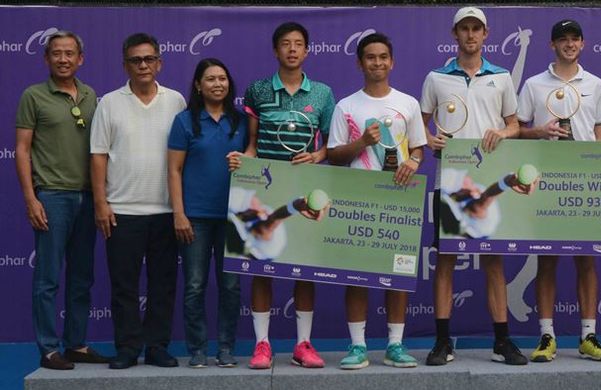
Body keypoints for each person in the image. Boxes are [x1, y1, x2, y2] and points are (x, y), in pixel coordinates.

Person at [514, 20, 601, 362]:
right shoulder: (533, 84)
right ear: (552, 45)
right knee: (545, 261)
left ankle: (588, 336)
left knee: (586, 260)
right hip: (546, 181)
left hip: (586, 182)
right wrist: (540, 132)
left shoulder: (596, 84)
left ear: (583, 43)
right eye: (562, 39)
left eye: (574, 38)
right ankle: (546, 336)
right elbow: (517, 129)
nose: (569, 44)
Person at [421, 6, 527, 366]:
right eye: (464, 29)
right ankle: (442, 342)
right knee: (446, 261)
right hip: (448, 181)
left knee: (494, 261)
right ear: (455, 35)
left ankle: (501, 340)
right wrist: (429, 139)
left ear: (486, 34)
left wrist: (503, 130)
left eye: (476, 29)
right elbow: (419, 126)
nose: (470, 35)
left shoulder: (502, 78)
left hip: (488, 179)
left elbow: (515, 124)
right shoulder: (436, 77)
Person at [228, 21, 335, 369]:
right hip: (265, 186)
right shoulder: (258, 90)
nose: (292, 49)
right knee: (264, 268)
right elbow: (253, 143)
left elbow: (330, 145)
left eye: (298, 44)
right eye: (285, 44)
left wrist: (316, 156)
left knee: (303, 270)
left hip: (304, 185)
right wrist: (244, 159)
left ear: (307, 51)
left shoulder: (322, 93)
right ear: (276, 50)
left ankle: (303, 344)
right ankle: (262, 345)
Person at [328, 32, 425, 370]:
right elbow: (334, 156)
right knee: (358, 277)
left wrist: (413, 162)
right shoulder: (346, 106)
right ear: (360, 63)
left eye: (383, 57)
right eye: (371, 57)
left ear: (392, 61)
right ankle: (358, 347)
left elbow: (417, 149)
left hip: (398, 199)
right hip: (358, 200)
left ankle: (395, 346)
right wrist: (360, 144)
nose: (377, 63)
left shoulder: (408, 103)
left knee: (396, 274)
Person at [90, 33, 186, 369]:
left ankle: (157, 347)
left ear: (159, 62)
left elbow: (185, 154)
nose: (143, 65)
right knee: (124, 287)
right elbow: (99, 155)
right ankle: (128, 348)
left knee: (163, 285)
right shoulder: (109, 103)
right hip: (122, 211)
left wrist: (180, 209)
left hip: (165, 211)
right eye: (135, 60)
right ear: (125, 65)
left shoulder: (177, 101)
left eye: (148, 59)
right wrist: (101, 203)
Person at [15, 30, 108, 370]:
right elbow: (22, 149)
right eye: (57, 53)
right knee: (48, 279)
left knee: (82, 277)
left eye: (70, 53)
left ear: (80, 58)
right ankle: (49, 348)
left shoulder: (90, 94)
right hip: (52, 196)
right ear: (46, 59)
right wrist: (31, 199)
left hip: (88, 197)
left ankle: (77, 344)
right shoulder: (33, 96)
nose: (64, 59)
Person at [167, 58, 246, 368]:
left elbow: (253, 159)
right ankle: (197, 349)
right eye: (210, 79)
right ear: (198, 85)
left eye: (223, 78)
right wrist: (179, 213)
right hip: (195, 217)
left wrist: (245, 159)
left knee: (230, 286)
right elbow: (174, 170)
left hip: (235, 219)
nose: (217, 84)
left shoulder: (240, 122)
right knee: (195, 285)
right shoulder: (185, 121)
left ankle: (226, 348)